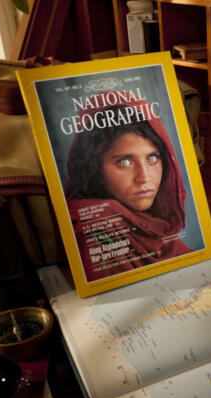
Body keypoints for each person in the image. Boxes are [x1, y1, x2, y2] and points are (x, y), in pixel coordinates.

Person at [64, 97, 193, 282]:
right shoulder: (94, 237)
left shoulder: (153, 225)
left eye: (152, 158)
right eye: (124, 162)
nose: (144, 177)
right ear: (94, 167)